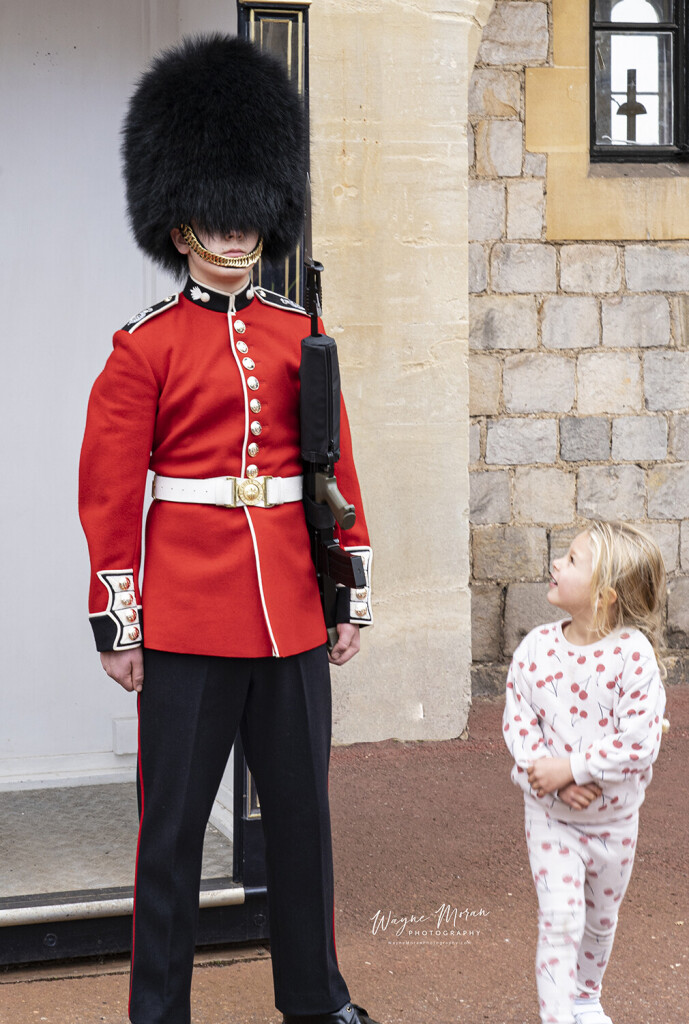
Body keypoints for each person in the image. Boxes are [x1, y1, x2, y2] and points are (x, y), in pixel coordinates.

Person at [79, 34, 375, 1024]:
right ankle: (157, 1011)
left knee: (303, 826)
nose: (237, 234)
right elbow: (111, 496)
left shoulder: (298, 334)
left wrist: (348, 591)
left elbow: (333, 471)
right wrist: (120, 622)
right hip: (186, 617)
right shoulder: (143, 348)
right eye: (217, 216)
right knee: (167, 836)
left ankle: (315, 999)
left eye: (251, 215)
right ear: (181, 222)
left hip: (290, 608)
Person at [503, 521, 667, 1024]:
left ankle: (584, 997)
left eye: (572, 560)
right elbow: (518, 720)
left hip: (616, 825)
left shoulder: (633, 657)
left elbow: (640, 741)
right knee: (560, 920)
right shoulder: (534, 649)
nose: (556, 563)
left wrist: (570, 769)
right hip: (552, 821)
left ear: (604, 595)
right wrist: (541, 775)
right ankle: (556, 1017)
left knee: (599, 923)